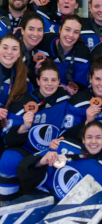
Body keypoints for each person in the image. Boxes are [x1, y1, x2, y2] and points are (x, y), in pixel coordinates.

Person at [0, 58, 63, 203]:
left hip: (53, 150)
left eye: (53, 80)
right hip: (26, 150)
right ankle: (5, 203)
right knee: (8, 159)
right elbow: (6, 139)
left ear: (59, 82)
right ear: (38, 81)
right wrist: (25, 126)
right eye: (45, 79)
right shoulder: (22, 102)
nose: (49, 84)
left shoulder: (64, 99)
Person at [62, 54, 102, 138]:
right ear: (90, 79)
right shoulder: (77, 102)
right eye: (97, 79)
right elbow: (65, 136)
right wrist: (87, 122)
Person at [36, 15, 90, 94]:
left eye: (76, 32)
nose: (71, 35)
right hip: (41, 91)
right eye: (67, 30)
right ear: (60, 29)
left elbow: (80, 85)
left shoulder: (82, 52)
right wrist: (36, 72)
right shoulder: (43, 42)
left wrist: (71, 90)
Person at [18, 12, 44, 88]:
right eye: (31, 29)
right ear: (22, 30)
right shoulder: (13, 51)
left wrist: (36, 73)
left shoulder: (38, 50)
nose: (35, 34)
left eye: (39, 30)